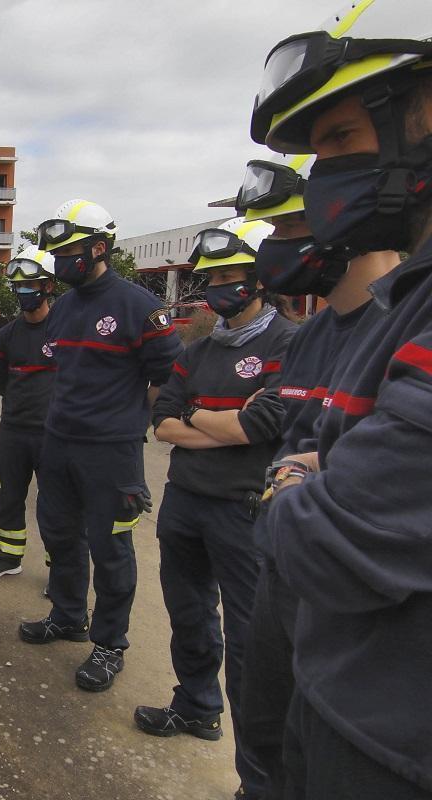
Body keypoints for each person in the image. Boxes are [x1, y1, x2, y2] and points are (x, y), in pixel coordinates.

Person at [250, 1, 432, 795]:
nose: (324, 178)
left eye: (341, 142)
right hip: (344, 700)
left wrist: (294, 484)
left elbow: (332, 540)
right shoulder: (407, 303)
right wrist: (313, 474)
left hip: (392, 744)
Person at [232, 152, 400, 800]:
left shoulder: (402, 327)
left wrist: (299, 479)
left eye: (286, 232)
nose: (274, 252)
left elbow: (361, 487)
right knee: (267, 741)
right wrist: (301, 478)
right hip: (280, 571)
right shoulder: (308, 335)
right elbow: (290, 448)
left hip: (353, 607)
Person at [135, 217, 295, 799]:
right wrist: (218, 422)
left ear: (258, 277)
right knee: (188, 616)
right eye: (212, 277)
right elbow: (163, 422)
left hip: (245, 511)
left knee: (255, 647)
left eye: (231, 273)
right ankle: (195, 705)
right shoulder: (197, 350)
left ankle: (260, 780)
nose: (221, 286)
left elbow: (268, 422)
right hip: (185, 504)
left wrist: (197, 418)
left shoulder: (289, 342)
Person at [21, 199, 182, 692]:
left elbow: (168, 381)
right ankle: (68, 617)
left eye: (69, 249)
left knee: (111, 550)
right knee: (60, 537)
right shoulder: (64, 307)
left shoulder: (139, 307)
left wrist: (170, 429)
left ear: (98, 247)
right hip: (60, 443)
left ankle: (110, 644)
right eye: (57, 250)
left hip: (111, 452)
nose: (61, 258)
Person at [0, 247, 57, 581]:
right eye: (18, 286)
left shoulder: (65, 330)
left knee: (56, 505)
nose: (23, 292)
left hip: (55, 434)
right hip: (14, 431)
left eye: (31, 285)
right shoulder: (7, 336)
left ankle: (60, 569)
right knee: (9, 496)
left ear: (48, 286)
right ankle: (8, 557)